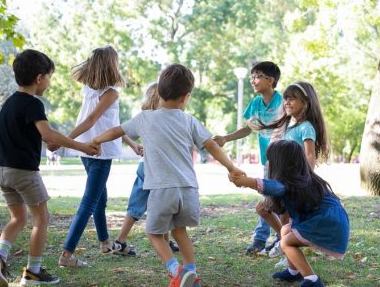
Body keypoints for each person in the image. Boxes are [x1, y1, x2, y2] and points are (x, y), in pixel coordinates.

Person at [92, 63, 246, 286]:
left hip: (163, 189)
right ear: (186, 97)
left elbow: (118, 131)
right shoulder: (189, 120)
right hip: (189, 190)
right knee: (179, 231)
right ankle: (191, 271)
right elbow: (211, 145)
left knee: (154, 233)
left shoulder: (145, 118)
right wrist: (231, 167)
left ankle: (176, 270)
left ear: (159, 92)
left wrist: (96, 140)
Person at [0, 49, 100, 287]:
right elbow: (48, 134)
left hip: (2, 171)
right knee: (41, 219)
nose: (49, 81)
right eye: (49, 76)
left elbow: (38, 137)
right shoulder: (33, 103)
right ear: (39, 78)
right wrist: (82, 146)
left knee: (18, 217)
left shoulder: (9, 103)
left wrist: (52, 142)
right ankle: (33, 273)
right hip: (24, 172)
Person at [57, 45, 140, 267]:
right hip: (99, 152)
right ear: (112, 65)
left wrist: (131, 143)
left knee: (100, 198)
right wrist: (63, 139)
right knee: (90, 201)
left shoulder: (89, 90)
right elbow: (91, 121)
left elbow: (111, 124)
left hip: (87, 149)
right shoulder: (110, 92)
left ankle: (105, 243)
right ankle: (67, 254)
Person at [231, 140, 349, 287]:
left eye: (270, 160)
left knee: (286, 242)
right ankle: (293, 272)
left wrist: (244, 181)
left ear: (280, 164)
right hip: (330, 220)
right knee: (286, 230)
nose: (268, 164)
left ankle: (312, 280)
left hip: (325, 223)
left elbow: (271, 186)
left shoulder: (290, 183)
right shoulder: (303, 179)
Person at [254, 81, 330, 260]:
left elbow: (309, 155)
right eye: (285, 98)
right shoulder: (289, 126)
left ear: (305, 102)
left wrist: (307, 179)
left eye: (292, 99)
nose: (287, 102)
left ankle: (289, 255)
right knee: (265, 209)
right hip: (283, 180)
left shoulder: (306, 127)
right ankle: (283, 241)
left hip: (294, 183)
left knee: (284, 218)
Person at [213, 61, 283, 254]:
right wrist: (226, 138)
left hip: (284, 161)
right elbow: (247, 129)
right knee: (270, 198)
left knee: (270, 199)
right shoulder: (255, 104)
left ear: (271, 80)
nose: (253, 80)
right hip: (267, 160)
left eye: (257, 76)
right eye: (252, 76)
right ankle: (279, 237)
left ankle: (262, 239)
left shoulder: (282, 102)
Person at [110, 82, 179, 256]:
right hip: (158, 169)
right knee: (164, 203)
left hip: (144, 166)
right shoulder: (167, 119)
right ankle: (163, 241)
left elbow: (122, 130)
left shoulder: (144, 118)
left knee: (136, 204)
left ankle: (121, 240)